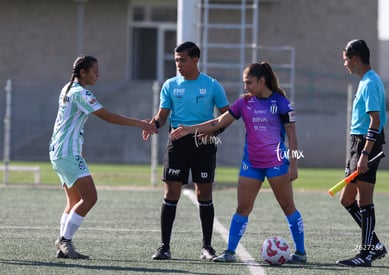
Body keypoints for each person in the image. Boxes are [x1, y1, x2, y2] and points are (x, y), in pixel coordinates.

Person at [170, 62, 307, 264]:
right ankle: (230, 252)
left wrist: (293, 165)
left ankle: (301, 253)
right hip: (251, 164)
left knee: (288, 207)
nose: (246, 87)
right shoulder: (244, 103)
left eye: (249, 82)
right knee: (242, 208)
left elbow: (293, 138)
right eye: (245, 83)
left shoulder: (282, 103)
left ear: (262, 81)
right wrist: (190, 129)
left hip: (277, 164)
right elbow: (217, 122)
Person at [49, 55, 157, 259]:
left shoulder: (68, 88)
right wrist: (141, 124)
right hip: (67, 152)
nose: (98, 75)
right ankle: (65, 240)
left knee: (73, 201)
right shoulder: (82, 93)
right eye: (95, 71)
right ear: (83, 72)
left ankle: (63, 243)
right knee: (90, 197)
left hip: (58, 151)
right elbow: (107, 116)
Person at [142, 41, 229, 260]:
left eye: (183, 60)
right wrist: (153, 124)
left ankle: (207, 247)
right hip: (177, 143)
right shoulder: (170, 85)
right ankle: (164, 247)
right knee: (171, 192)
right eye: (176, 60)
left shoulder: (212, 85)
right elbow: (162, 115)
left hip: (204, 144)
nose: (178, 64)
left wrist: (214, 133)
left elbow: (227, 116)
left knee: (204, 193)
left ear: (196, 59)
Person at [336, 39, 387, 267]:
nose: (345, 64)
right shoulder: (366, 81)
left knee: (365, 200)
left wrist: (365, 153)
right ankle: (374, 245)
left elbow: (375, 120)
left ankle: (366, 254)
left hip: (366, 145)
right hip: (357, 144)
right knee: (347, 199)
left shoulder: (369, 83)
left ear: (355, 58)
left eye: (346, 59)